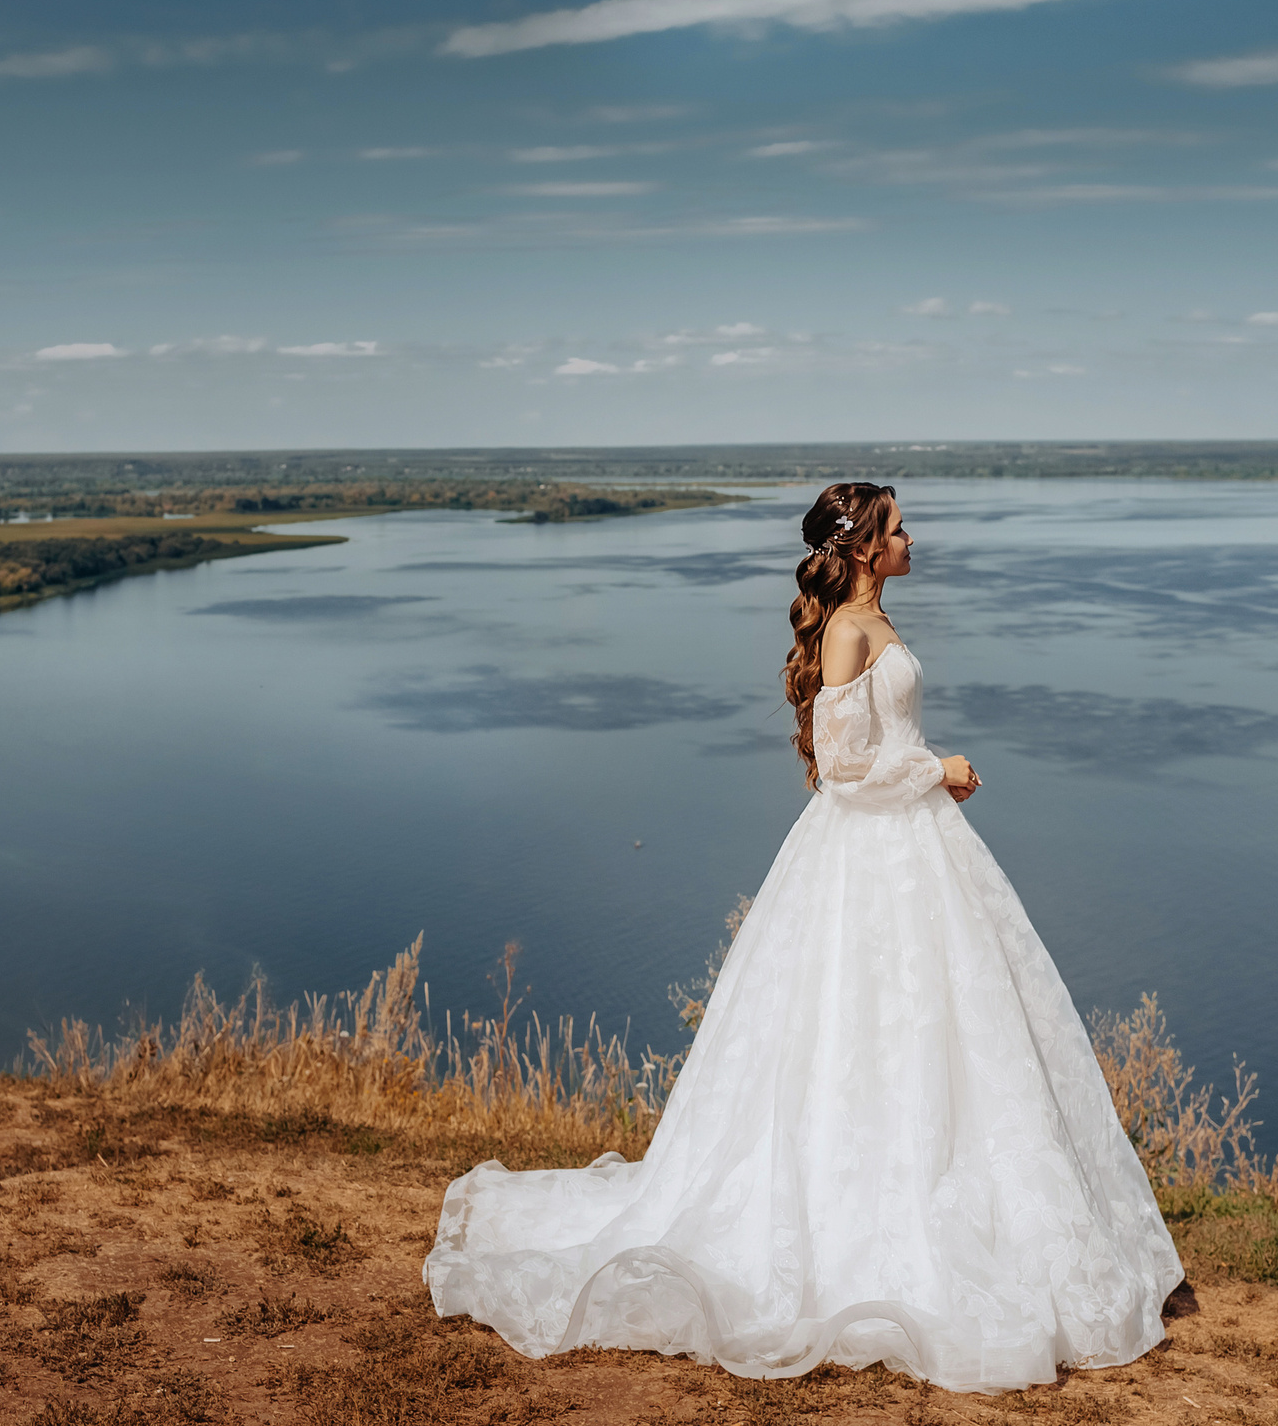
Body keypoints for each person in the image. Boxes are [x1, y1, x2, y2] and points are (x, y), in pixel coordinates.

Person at [424, 481, 1183, 1392]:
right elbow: (842, 767)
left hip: (917, 848)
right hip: (870, 854)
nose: (911, 538)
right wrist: (935, 766)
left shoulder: (875, 619)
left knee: (943, 1030)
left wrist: (930, 775)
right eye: (897, 527)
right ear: (863, 546)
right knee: (859, 1025)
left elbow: (871, 744)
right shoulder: (848, 633)